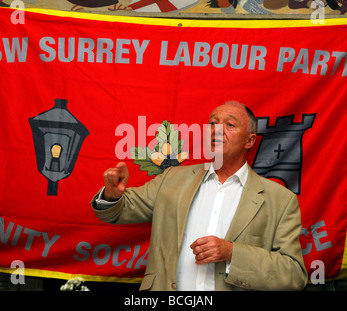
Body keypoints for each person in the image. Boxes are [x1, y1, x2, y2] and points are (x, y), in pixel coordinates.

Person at [91, 101, 308, 291]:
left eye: (230, 125)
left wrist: (232, 252)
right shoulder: (172, 178)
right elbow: (118, 212)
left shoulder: (280, 200)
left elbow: (293, 275)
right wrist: (112, 195)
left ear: (250, 141)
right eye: (212, 124)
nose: (217, 130)